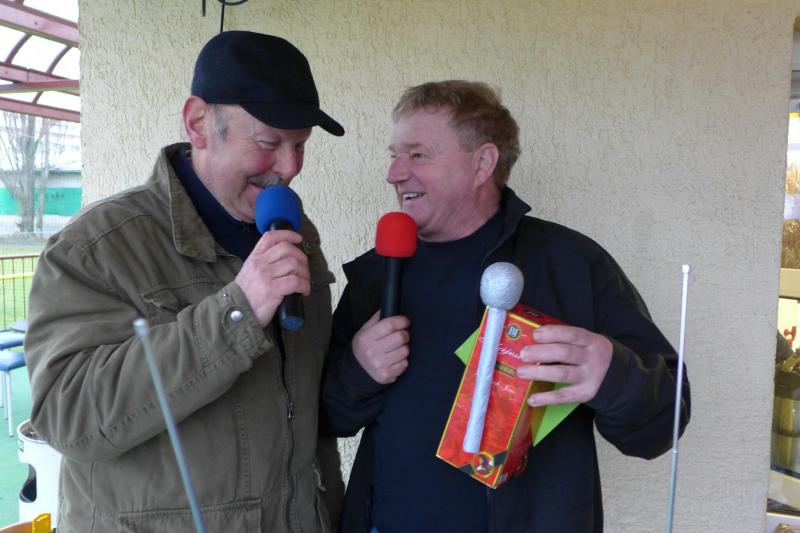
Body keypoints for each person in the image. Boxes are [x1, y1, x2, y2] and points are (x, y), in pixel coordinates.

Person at [321, 80, 691, 532]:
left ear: (483, 163)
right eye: (394, 155)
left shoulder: (572, 265)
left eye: (417, 155)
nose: (394, 173)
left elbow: (661, 428)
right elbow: (328, 416)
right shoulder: (378, 272)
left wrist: (614, 375)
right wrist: (359, 370)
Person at [25, 31, 344, 532]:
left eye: (300, 145)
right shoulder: (96, 247)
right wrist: (237, 311)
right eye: (269, 143)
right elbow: (70, 418)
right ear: (198, 123)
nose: (290, 168)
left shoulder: (294, 233)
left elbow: (303, 411)